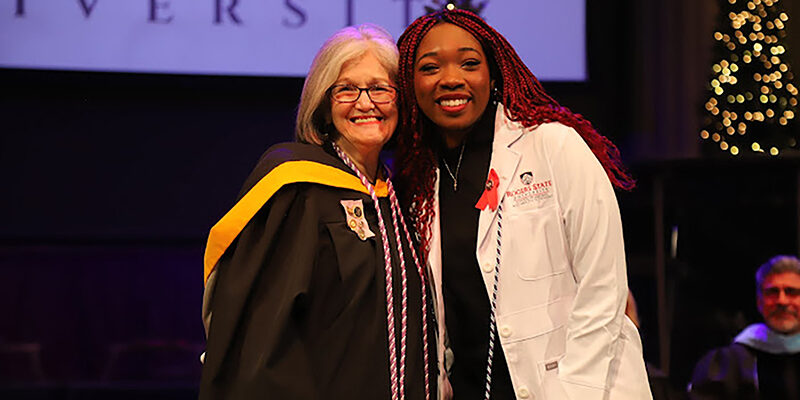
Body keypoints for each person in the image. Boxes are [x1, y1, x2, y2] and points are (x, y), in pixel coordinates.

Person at [394, 9, 652, 399]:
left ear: (493, 74)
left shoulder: (552, 145)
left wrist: (574, 391)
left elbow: (603, 287)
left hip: (582, 389)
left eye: (469, 64)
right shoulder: (414, 180)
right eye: (429, 68)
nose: (451, 79)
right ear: (409, 85)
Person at [199, 24, 435, 399]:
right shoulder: (297, 188)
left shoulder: (398, 200)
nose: (365, 102)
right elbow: (262, 339)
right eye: (346, 89)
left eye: (379, 88)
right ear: (323, 104)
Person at [688, 255, 800, 400]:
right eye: (772, 292)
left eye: (791, 292)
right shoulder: (729, 361)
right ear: (759, 302)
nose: (782, 301)